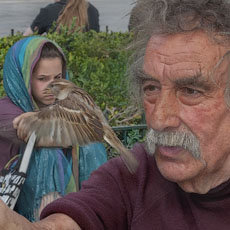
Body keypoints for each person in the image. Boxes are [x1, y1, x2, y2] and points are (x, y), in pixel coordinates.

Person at [2, 0, 230, 229]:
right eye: (151, 88)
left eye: (191, 91)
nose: (159, 119)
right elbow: (69, 221)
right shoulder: (134, 173)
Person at [0, 36, 107, 222]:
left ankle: (96, 217)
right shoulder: (5, 110)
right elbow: (40, 135)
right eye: (42, 79)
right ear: (23, 78)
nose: (51, 87)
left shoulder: (65, 106)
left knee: (91, 148)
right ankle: (48, 221)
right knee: (47, 154)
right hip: (15, 202)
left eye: (57, 78)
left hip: (67, 193)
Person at [23, 0, 99, 36]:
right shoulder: (93, 11)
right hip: (84, 64)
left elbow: (25, 38)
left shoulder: (48, 11)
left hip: (56, 65)